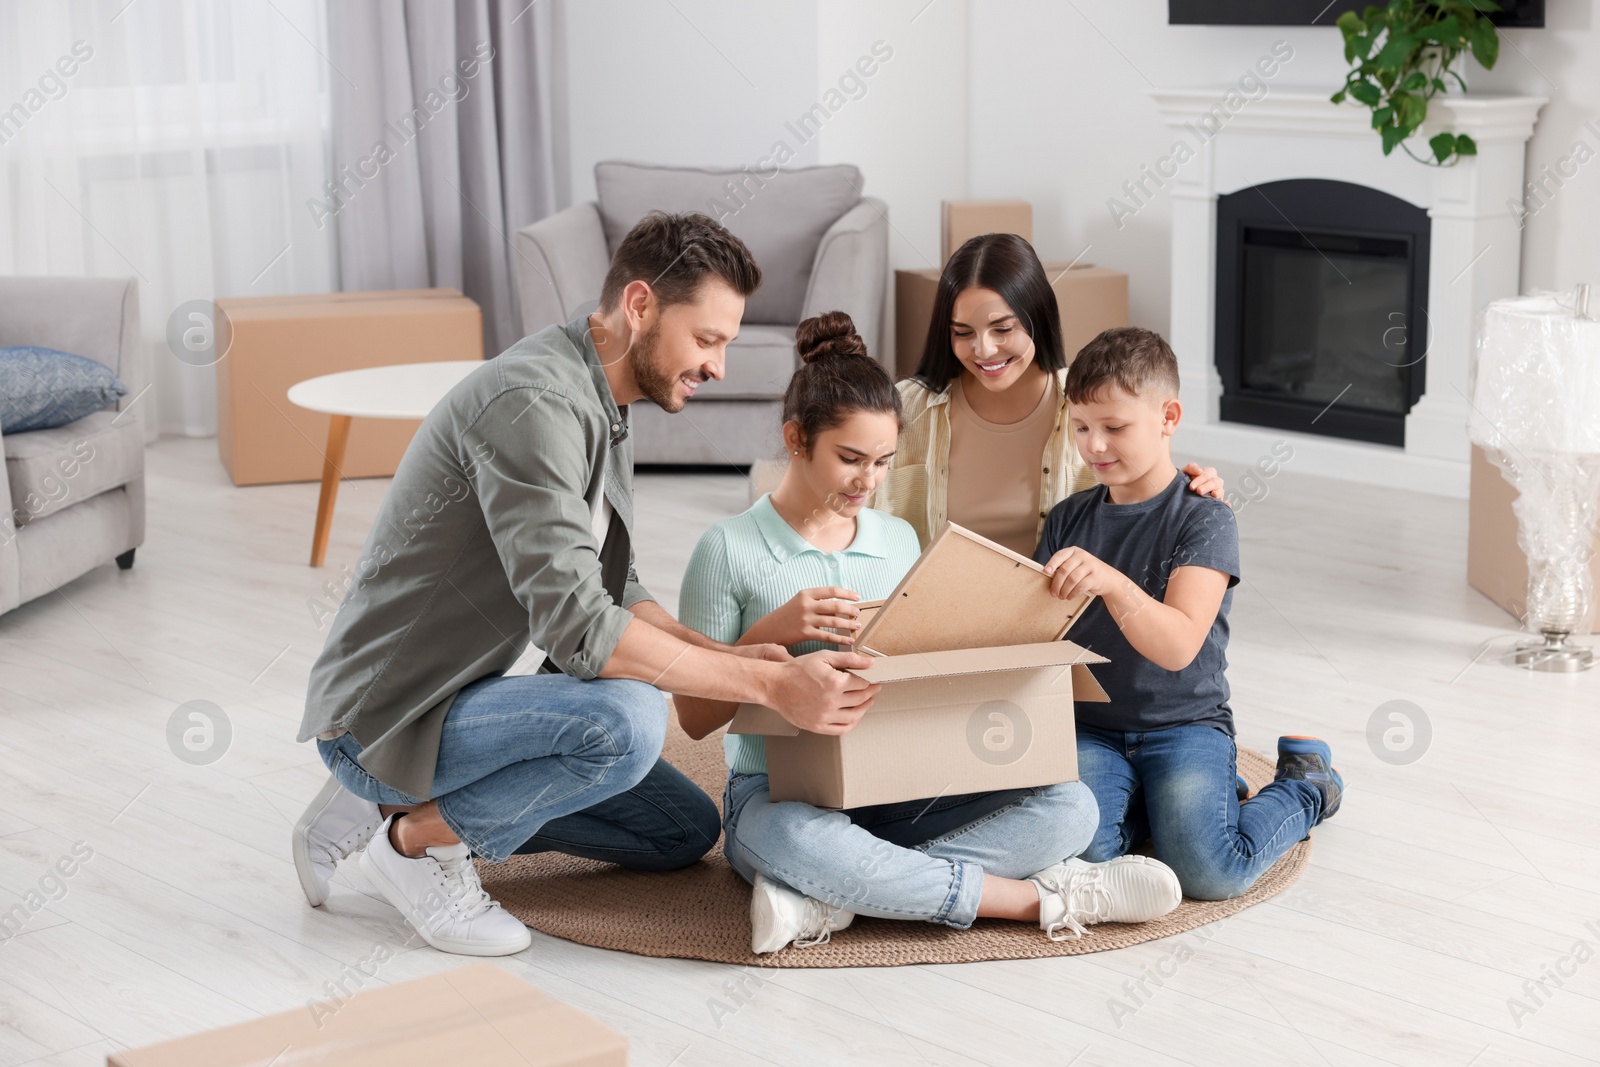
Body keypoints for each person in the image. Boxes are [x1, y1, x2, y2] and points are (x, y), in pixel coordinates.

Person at [292, 212, 886, 956]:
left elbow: (617, 583)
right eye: (707, 340)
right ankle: (413, 843)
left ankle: (390, 797)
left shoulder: (603, 399)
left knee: (681, 830)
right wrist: (770, 687)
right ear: (640, 307)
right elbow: (579, 627)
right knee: (627, 723)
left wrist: (738, 661)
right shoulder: (536, 405)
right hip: (385, 715)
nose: (719, 367)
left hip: (460, 698)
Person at [675, 311, 1183, 954]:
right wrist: (771, 633)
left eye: (885, 461)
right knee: (798, 841)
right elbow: (693, 717)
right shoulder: (726, 549)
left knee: (1073, 807)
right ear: (797, 439)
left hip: (898, 785)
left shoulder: (897, 539)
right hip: (779, 793)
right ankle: (1037, 901)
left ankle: (838, 895)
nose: (869, 481)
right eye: (850, 459)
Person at [1033, 326, 1343, 901]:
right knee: (1082, 854)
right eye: (1081, 427)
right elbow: (1031, 628)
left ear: (1168, 417)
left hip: (1184, 725)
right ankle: (1181, 802)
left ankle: (1304, 787)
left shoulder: (1204, 518)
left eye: (1115, 428)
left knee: (1210, 873)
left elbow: (1178, 646)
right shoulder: (1067, 519)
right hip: (1092, 730)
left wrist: (1111, 583)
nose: (1094, 445)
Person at [872, 232, 1223, 556]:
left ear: (1037, 317)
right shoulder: (906, 409)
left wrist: (1192, 496)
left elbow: (1144, 495)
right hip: (931, 615)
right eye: (963, 333)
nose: (983, 349)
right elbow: (842, 502)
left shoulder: (1086, 404)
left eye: (1003, 329)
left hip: (1056, 621)